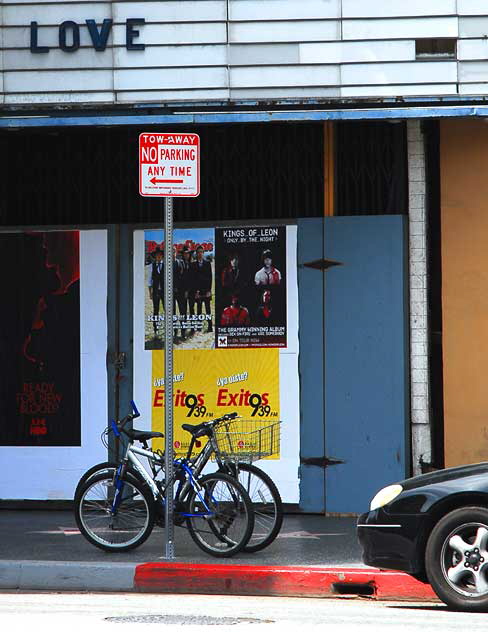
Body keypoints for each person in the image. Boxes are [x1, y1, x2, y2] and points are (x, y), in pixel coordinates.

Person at [191, 245, 213, 333]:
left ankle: (210, 326)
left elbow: (210, 278)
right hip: (198, 291)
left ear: (203, 253)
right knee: (199, 309)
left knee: (208, 309)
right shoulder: (193, 264)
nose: (200, 254)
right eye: (198, 252)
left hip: (206, 290)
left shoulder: (207, 263)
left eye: (201, 252)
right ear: (196, 254)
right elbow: (193, 279)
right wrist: (195, 292)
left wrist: (209, 291)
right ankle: (199, 327)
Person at [148, 247, 164, 337]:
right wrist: (150, 293)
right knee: (156, 310)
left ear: (162, 256)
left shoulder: (166, 265)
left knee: (167, 310)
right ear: (155, 256)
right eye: (157, 255)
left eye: (160, 255)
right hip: (156, 292)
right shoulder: (152, 266)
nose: (158, 257)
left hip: (164, 292)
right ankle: (156, 329)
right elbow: (149, 281)